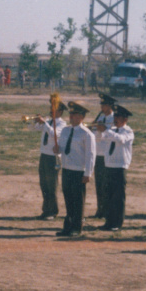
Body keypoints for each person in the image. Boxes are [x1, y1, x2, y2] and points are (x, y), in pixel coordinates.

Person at [54, 101, 95, 237]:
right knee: (68, 199)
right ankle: (68, 226)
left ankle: (77, 228)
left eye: (74, 114)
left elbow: (90, 155)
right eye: (70, 114)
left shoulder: (87, 134)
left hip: (78, 171)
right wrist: (57, 149)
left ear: (81, 117)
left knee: (78, 201)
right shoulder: (65, 130)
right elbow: (62, 147)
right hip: (66, 169)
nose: (71, 117)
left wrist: (88, 173)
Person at [98, 104, 133, 231]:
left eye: (118, 117)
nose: (116, 119)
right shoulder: (111, 130)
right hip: (109, 165)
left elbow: (121, 140)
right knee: (108, 195)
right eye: (115, 116)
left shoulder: (128, 131)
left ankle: (117, 223)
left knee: (118, 197)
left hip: (119, 167)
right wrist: (99, 130)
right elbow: (100, 139)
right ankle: (109, 221)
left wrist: (106, 130)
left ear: (125, 119)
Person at [30, 101, 67, 220]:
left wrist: (45, 123)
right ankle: (46, 210)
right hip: (44, 155)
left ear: (60, 112)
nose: (51, 111)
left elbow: (54, 134)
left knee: (52, 185)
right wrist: (35, 121)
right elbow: (32, 129)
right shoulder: (49, 122)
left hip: (53, 157)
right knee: (44, 184)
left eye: (54, 109)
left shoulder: (62, 124)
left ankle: (53, 211)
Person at [90, 94, 115, 219]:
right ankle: (100, 209)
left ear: (109, 105)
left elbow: (111, 135)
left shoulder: (114, 119)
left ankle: (107, 210)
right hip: (98, 154)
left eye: (104, 104)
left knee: (106, 184)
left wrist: (102, 130)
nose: (101, 106)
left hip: (107, 155)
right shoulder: (100, 117)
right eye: (101, 104)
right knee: (99, 184)